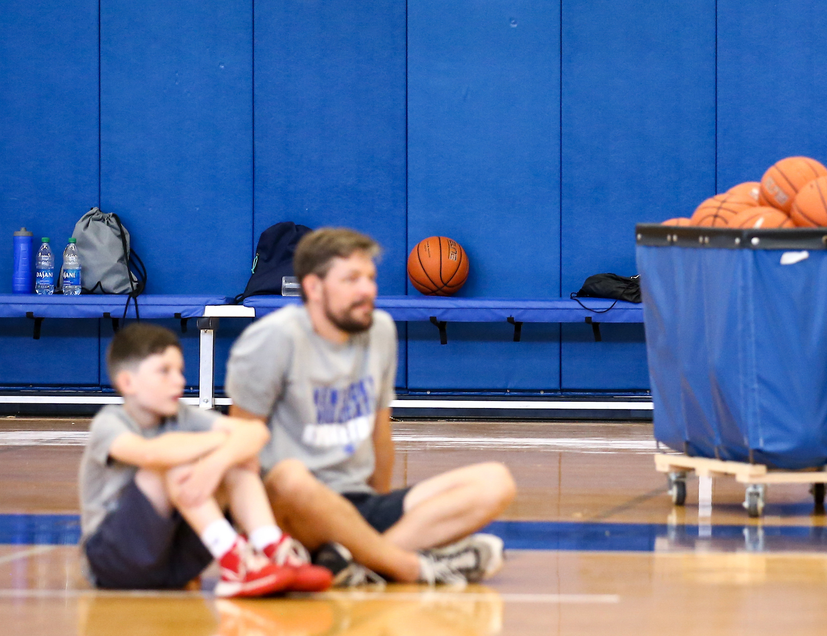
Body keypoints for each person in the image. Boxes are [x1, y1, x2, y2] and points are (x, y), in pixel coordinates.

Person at [226, 227, 516, 587]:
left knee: (494, 482)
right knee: (290, 477)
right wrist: (256, 537)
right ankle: (409, 566)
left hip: (356, 502)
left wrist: (380, 509)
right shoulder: (271, 340)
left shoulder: (379, 331)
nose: (367, 290)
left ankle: (358, 562)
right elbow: (238, 451)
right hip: (289, 508)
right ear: (314, 288)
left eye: (370, 278)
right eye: (351, 279)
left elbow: (380, 435)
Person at [79, 323, 331, 596]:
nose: (179, 381)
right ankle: (234, 557)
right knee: (177, 463)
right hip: (114, 561)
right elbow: (151, 453)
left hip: (174, 564)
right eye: (164, 371)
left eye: (180, 371)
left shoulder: (183, 415)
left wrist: (220, 461)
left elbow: (256, 432)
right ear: (128, 382)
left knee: (234, 461)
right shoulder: (109, 422)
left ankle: (270, 548)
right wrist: (220, 448)